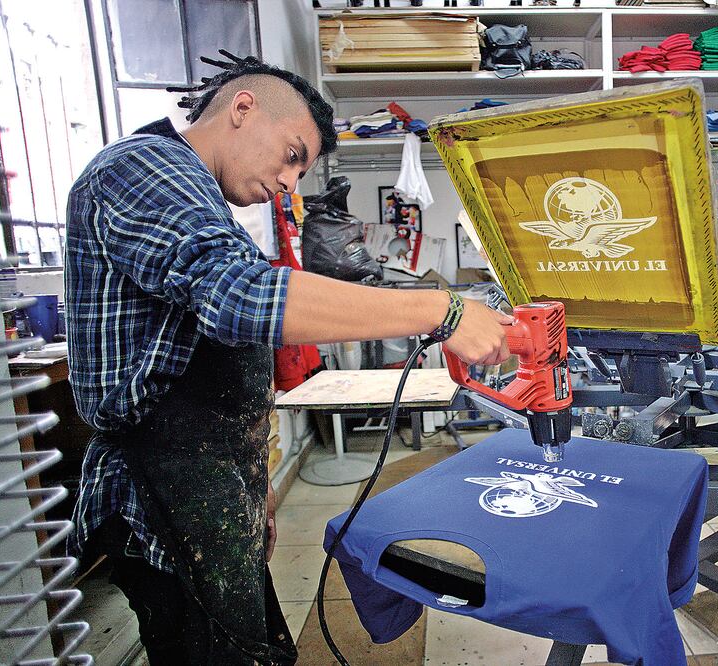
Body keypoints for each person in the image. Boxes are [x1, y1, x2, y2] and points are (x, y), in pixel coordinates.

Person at [64, 53, 510, 665]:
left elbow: (215, 361)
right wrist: (444, 311)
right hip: (158, 492)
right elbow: (238, 297)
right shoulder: (141, 169)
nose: (291, 182)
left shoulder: (202, 200)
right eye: (293, 154)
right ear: (243, 110)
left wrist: (252, 485)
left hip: (213, 486)